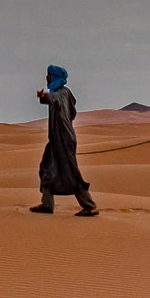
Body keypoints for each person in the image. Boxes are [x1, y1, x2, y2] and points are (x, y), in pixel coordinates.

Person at [33, 64, 97, 216]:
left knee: (70, 173)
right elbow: (70, 110)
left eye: (49, 75)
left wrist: (44, 97)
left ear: (55, 77)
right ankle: (47, 204)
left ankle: (88, 205)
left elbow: (55, 99)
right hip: (56, 139)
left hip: (63, 139)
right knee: (47, 168)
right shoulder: (63, 92)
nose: (47, 77)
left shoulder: (61, 93)